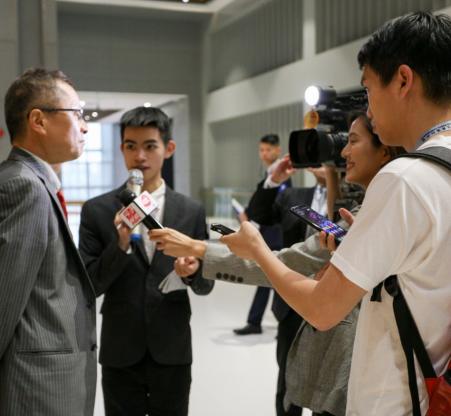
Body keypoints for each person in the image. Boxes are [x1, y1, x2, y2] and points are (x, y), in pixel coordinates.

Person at [220, 12, 451, 415]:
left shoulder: (404, 178)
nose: (368, 109)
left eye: (369, 88)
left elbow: (322, 310)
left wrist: (258, 250)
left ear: (403, 81)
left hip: (397, 402)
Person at [149, 111, 405, 416]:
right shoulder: (361, 205)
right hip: (315, 332)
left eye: (352, 141)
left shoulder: (379, 210)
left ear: (384, 151)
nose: (344, 152)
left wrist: (214, 248)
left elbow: (294, 264)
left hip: (361, 366)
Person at [0, 68, 97, 416]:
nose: (84, 126)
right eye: (77, 113)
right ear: (39, 120)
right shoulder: (24, 188)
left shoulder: (21, 181)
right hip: (36, 393)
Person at [78, 106, 214, 416]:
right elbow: (89, 286)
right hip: (120, 349)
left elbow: (206, 285)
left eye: (150, 146)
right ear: (122, 149)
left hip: (172, 347)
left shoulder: (191, 211)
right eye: (131, 146)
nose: (140, 156)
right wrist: (121, 243)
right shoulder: (97, 211)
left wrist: (192, 272)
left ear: (169, 148)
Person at [246, 164, 329, 416]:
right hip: (292, 304)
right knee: (288, 383)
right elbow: (258, 213)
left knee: (328, 388)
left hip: (336, 304)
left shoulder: (356, 200)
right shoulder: (293, 196)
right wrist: (273, 181)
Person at [234, 134, 291, 336]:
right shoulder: (269, 175)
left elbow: (277, 209)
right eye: (261, 150)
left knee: (277, 281)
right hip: (267, 233)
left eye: (268, 149)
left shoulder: (282, 175)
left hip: (276, 235)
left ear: (278, 150)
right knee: (266, 280)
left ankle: (282, 321)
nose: (264, 154)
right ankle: (257, 321)